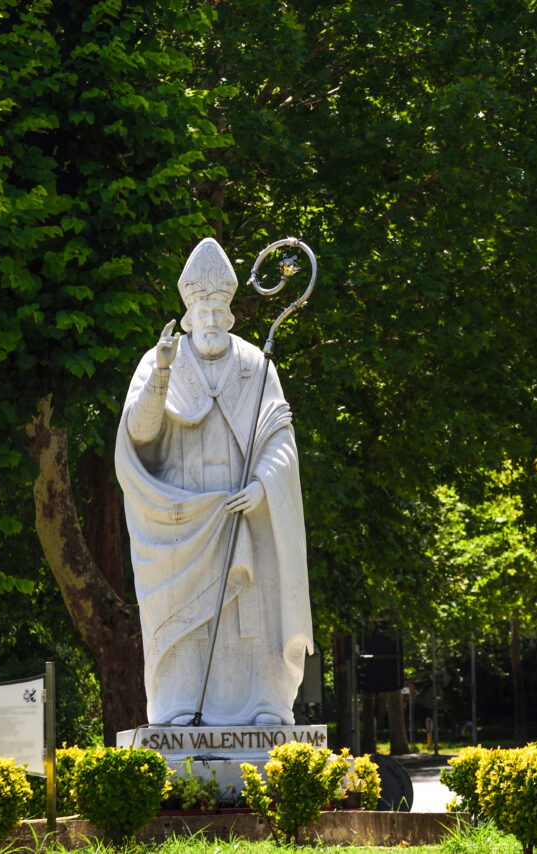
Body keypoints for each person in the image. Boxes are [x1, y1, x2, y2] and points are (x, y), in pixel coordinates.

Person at [115, 237, 313, 727]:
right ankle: (180, 706)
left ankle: (262, 704)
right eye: (199, 311)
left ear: (228, 315)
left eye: (215, 310)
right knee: (189, 622)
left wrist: (265, 484)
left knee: (251, 613)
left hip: (243, 514)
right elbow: (138, 434)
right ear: (187, 316)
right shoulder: (161, 360)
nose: (208, 319)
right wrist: (161, 374)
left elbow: (279, 438)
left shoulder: (254, 365)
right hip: (182, 523)